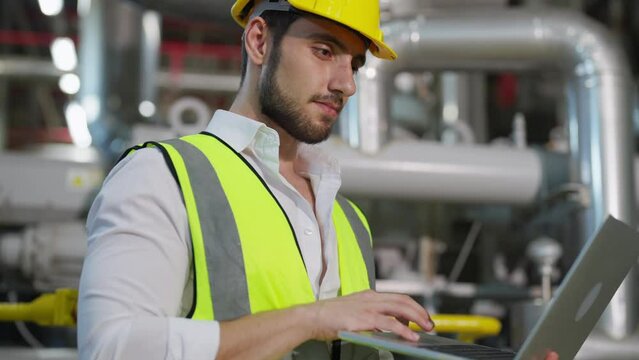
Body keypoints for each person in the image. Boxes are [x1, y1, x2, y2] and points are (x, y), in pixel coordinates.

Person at [78, 1, 558, 359]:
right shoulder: (162, 177)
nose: (345, 83)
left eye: (354, 63)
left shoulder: (348, 220)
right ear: (259, 41)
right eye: (324, 50)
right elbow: (111, 347)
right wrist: (313, 318)